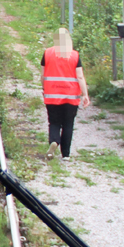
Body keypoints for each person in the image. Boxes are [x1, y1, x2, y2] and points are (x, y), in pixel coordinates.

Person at [41, 28, 90, 160]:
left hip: (52, 95)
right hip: (71, 96)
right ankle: (66, 155)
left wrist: (44, 89)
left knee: (54, 122)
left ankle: (54, 141)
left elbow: (43, 75)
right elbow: (80, 77)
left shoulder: (47, 53)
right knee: (68, 123)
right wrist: (85, 94)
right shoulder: (74, 55)